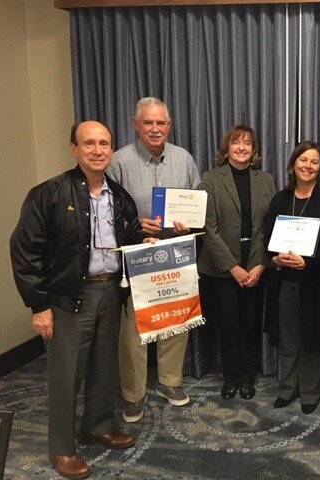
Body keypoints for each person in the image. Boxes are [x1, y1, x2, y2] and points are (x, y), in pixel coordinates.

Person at [10, 121, 145, 479]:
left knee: (104, 368)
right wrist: (39, 306)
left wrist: (146, 247)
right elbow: (25, 251)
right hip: (70, 297)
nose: (98, 150)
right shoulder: (49, 194)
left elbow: (129, 238)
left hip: (110, 291)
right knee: (66, 374)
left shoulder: (119, 196)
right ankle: (62, 447)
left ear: (111, 149)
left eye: (104, 143)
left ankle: (97, 426)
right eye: (89, 143)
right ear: (74, 148)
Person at [108, 97, 200, 423]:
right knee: (134, 328)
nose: (155, 128)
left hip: (176, 252)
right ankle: (133, 394)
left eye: (161, 123)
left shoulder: (184, 159)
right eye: (148, 123)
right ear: (136, 125)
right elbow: (107, 215)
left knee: (176, 319)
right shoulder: (117, 162)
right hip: (138, 256)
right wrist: (135, 226)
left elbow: (197, 204)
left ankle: (170, 382)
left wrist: (188, 222)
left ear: (169, 125)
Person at [263, 141, 320, 414]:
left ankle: (310, 392)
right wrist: (274, 259)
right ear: (293, 164)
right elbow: (268, 238)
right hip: (284, 281)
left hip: (315, 281)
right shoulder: (280, 199)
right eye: (303, 160)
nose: (307, 166)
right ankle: (287, 388)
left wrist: (307, 262)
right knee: (288, 339)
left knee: (312, 340)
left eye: (314, 162)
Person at [197, 124, 275, 401]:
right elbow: (208, 228)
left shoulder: (266, 180)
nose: (241, 148)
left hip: (256, 264)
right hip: (221, 270)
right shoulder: (210, 179)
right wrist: (233, 268)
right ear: (227, 147)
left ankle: (247, 377)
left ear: (254, 149)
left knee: (250, 325)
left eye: (247, 143)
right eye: (236, 143)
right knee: (228, 325)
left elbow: (269, 227)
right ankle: (230, 376)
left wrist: (260, 265)